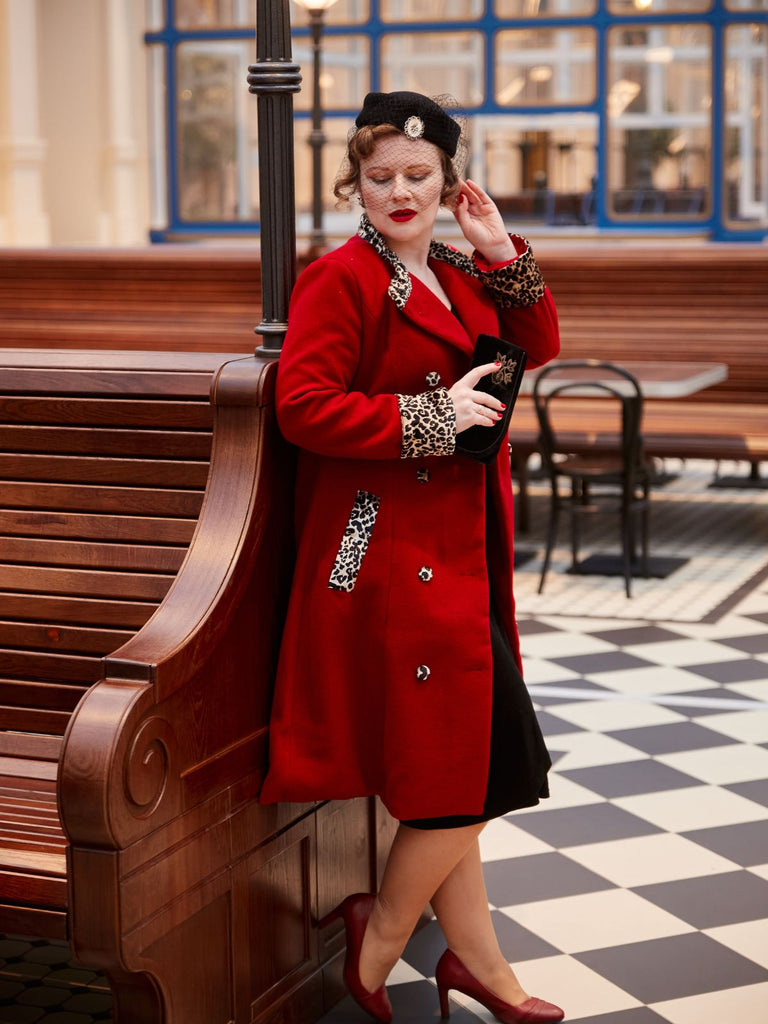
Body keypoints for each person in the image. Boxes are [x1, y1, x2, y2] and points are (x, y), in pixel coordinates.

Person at [259, 91, 564, 1023]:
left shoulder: (455, 270)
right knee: (487, 763)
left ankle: (477, 965)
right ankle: (383, 931)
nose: (399, 191)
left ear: (448, 182)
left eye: (419, 176)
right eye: (381, 176)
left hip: (456, 544)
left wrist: (501, 249)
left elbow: (539, 344)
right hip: (381, 550)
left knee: (454, 766)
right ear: (355, 182)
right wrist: (430, 419)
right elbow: (302, 406)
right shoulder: (339, 278)